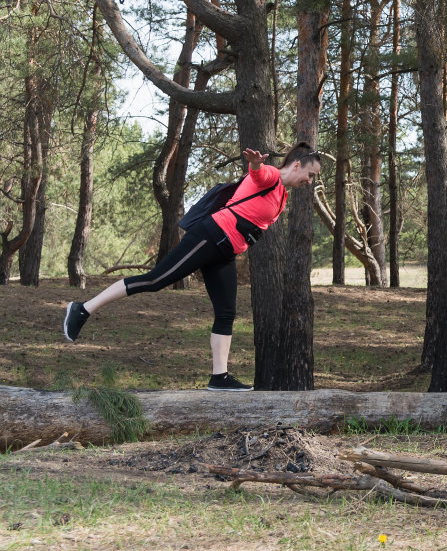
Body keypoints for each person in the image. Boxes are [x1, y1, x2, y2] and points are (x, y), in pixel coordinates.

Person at [62, 144, 322, 390]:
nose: (309, 182)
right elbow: (258, 173)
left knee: (226, 313)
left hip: (225, 251)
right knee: (155, 280)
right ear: (297, 165)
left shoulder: (282, 196)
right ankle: (82, 309)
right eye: (310, 175)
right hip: (211, 236)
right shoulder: (271, 177)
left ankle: (219, 377)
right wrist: (254, 164)